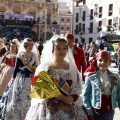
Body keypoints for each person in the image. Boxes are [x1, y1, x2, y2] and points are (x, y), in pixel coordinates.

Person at [25, 35, 88, 120]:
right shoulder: (45, 66)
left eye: (64, 48)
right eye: (58, 48)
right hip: (49, 108)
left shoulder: (72, 67)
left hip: (69, 106)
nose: (62, 51)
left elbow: (78, 85)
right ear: (52, 49)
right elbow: (36, 86)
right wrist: (50, 94)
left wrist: (72, 97)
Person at [0, 38, 39, 120]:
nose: (31, 46)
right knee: (17, 98)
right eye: (29, 45)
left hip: (30, 79)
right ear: (25, 45)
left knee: (28, 99)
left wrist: (34, 70)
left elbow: (37, 67)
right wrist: (13, 80)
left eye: (32, 45)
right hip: (20, 79)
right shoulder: (21, 55)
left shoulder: (35, 55)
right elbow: (16, 68)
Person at [83, 50, 120, 120]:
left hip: (110, 112)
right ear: (96, 61)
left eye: (106, 60)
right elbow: (86, 95)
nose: (103, 63)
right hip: (96, 112)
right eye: (100, 60)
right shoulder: (90, 77)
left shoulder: (115, 77)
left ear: (109, 63)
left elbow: (119, 94)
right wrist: (89, 110)